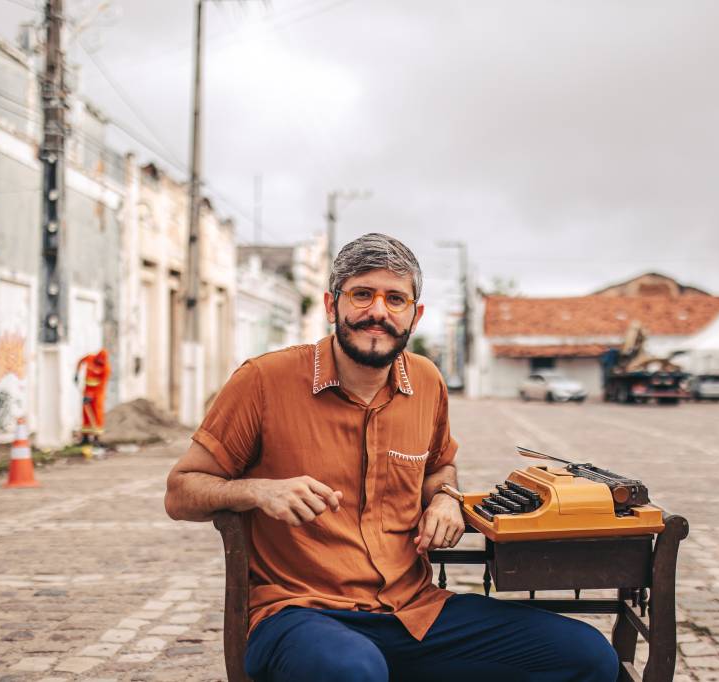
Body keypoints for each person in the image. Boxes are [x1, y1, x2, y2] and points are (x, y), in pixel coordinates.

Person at [165, 233, 618, 682]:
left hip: (414, 612)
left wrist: (444, 498)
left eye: (395, 299)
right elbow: (181, 490)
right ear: (331, 305)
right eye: (362, 294)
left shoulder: (426, 381)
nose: (378, 311)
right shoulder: (264, 381)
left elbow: (441, 466)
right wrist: (258, 491)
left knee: (587, 655)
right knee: (352, 670)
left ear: (414, 315)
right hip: (301, 613)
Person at [75, 348, 111, 446]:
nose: (100, 362)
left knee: (97, 414)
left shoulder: (106, 368)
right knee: (85, 414)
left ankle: (96, 437)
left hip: (98, 394)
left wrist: (91, 395)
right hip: (87, 390)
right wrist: (77, 373)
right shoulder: (90, 358)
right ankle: (85, 437)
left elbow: (101, 385)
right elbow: (80, 361)